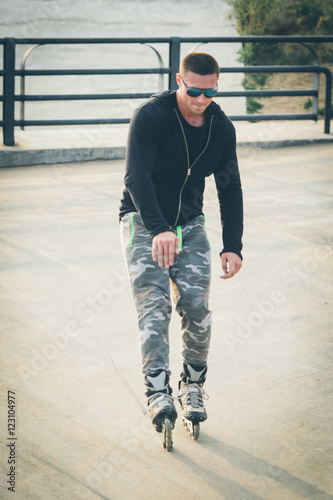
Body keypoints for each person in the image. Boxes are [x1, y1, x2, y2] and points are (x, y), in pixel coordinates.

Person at [119, 51, 243, 435]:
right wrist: (158, 228)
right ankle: (157, 391)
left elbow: (230, 187)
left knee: (198, 309)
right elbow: (135, 176)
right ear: (179, 80)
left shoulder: (221, 128)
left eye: (209, 92)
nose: (200, 99)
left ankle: (192, 385)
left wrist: (233, 244)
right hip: (143, 221)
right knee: (154, 309)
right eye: (193, 90)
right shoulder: (152, 116)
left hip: (189, 225)